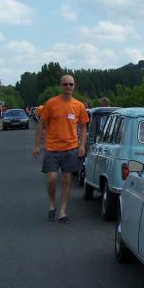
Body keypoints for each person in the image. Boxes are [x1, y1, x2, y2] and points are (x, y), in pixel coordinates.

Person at [33, 75, 89, 224]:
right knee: (51, 179)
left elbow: (83, 127)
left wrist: (82, 145)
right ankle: (52, 204)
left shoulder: (79, 106)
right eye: (65, 84)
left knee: (66, 179)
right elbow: (41, 124)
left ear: (74, 86)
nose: (68, 87)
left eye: (71, 84)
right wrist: (37, 145)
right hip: (52, 148)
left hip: (70, 148)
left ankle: (62, 212)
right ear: (60, 85)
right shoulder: (51, 103)